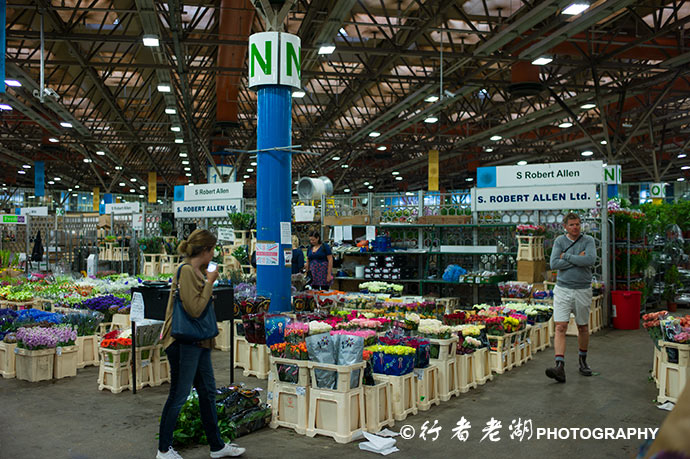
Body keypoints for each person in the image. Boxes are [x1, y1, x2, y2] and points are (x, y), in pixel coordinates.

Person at [157, 229, 245, 459]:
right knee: (179, 394)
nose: (214, 253)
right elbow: (194, 309)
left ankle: (216, 446)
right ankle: (164, 450)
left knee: (207, 392)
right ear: (205, 250)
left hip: (200, 342)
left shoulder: (198, 270)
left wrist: (207, 280)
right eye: (213, 249)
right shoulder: (186, 271)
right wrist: (209, 283)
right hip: (183, 342)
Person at [546, 212, 596, 383]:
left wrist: (565, 257)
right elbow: (553, 264)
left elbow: (590, 260)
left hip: (582, 289)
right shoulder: (560, 241)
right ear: (565, 227)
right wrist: (577, 258)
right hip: (563, 289)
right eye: (572, 225)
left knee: (583, 327)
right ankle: (559, 366)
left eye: (578, 224)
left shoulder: (588, 241)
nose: (576, 227)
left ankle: (583, 361)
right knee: (560, 326)